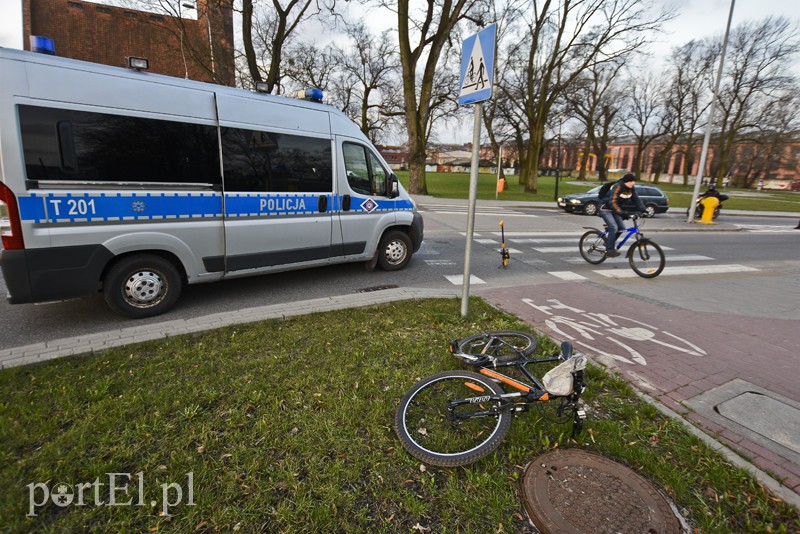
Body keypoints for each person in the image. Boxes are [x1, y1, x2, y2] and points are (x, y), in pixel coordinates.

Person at [598, 173, 645, 257]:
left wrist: (643, 209)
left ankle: (608, 242)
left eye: (634, 181)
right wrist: (622, 213)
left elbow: (637, 199)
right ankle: (610, 250)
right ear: (626, 182)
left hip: (615, 209)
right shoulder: (618, 186)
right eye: (631, 181)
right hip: (605, 208)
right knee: (614, 227)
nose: (633, 183)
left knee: (622, 228)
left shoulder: (631, 189)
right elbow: (612, 202)